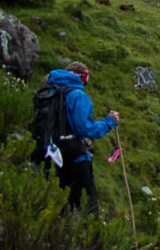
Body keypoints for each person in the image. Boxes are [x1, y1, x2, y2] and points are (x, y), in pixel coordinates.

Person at [47, 61, 119, 215]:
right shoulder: (78, 95)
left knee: (61, 203)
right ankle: (90, 236)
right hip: (75, 157)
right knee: (88, 204)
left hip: (53, 154)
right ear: (82, 77)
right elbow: (85, 128)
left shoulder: (49, 92)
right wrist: (109, 122)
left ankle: (59, 234)